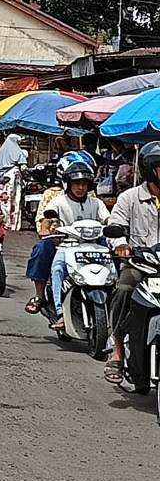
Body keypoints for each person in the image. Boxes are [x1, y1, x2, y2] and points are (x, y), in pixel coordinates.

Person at [24, 158, 109, 328]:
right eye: (76, 183)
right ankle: (58, 311)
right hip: (66, 246)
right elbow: (45, 222)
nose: (80, 188)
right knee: (56, 268)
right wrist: (47, 231)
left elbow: (108, 219)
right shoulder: (58, 202)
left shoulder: (96, 203)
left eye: (84, 184)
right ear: (68, 184)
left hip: (93, 247)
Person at [104, 141, 160, 387]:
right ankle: (116, 351)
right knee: (124, 289)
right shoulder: (130, 197)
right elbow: (115, 226)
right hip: (140, 265)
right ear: (149, 169)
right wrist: (121, 244)